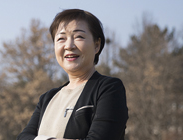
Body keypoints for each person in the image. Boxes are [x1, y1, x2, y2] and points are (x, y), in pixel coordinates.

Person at [17, 9, 128, 140]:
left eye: (79, 37)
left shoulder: (108, 88)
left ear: (97, 45)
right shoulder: (47, 98)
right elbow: (23, 137)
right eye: (61, 38)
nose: (69, 46)